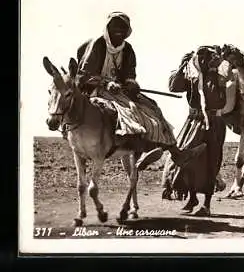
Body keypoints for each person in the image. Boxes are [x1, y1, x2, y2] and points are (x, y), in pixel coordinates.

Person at [75, 11, 206, 170]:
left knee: (151, 107)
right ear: (108, 28)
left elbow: (130, 73)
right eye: (115, 27)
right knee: (128, 112)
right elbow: (83, 75)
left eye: (122, 29)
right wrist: (105, 84)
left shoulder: (127, 49)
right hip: (97, 90)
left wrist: (131, 83)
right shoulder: (98, 45)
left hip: (119, 91)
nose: (119, 31)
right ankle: (137, 149)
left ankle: (175, 153)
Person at [161, 46, 229, 216]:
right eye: (202, 58)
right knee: (185, 159)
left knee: (210, 163)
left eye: (208, 58)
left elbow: (216, 98)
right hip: (193, 122)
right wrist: (182, 66)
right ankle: (192, 198)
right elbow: (173, 87)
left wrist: (215, 69)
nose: (205, 62)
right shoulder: (192, 77)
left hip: (213, 123)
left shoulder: (218, 76)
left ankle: (207, 205)